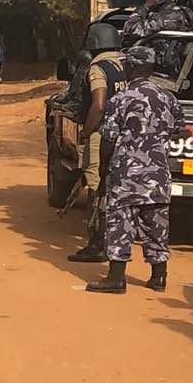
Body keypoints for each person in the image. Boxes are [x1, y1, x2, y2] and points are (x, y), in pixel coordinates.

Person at [86, 45, 185, 295]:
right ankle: (159, 278)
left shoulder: (121, 99)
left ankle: (116, 278)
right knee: (157, 226)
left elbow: (107, 140)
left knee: (120, 224)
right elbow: (180, 129)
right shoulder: (169, 98)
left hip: (126, 175)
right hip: (158, 175)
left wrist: (103, 173)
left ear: (130, 68)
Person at [69, 24, 126, 264]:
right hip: (126, 134)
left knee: (96, 187)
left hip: (102, 133)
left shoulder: (97, 67)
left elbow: (99, 104)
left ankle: (97, 244)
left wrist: (86, 130)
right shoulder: (126, 63)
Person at [122, 0, 193, 77]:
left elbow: (130, 28)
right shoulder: (185, 13)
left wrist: (145, 6)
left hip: (158, 66)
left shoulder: (164, 18)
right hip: (173, 63)